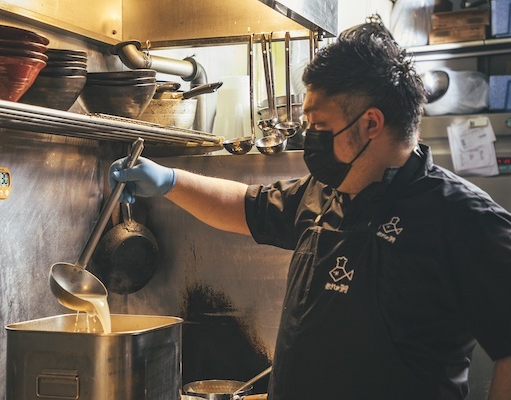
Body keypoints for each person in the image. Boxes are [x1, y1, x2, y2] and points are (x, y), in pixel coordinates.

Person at [109, 16, 511, 400]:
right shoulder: (323, 192)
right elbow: (243, 207)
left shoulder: (466, 220)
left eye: (319, 126)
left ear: (371, 124)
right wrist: (169, 181)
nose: (309, 138)